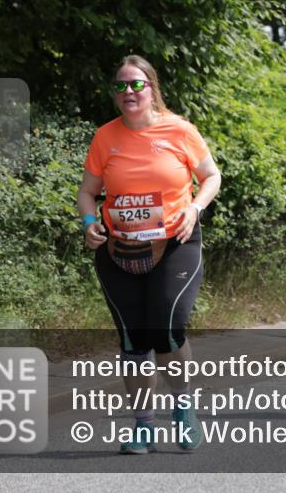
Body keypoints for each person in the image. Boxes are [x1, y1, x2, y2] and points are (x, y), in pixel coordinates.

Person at [77, 55, 221, 453]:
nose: (128, 92)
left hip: (176, 242)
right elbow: (87, 190)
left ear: (152, 88)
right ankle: (143, 425)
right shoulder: (105, 137)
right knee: (133, 340)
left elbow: (211, 176)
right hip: (118, 248)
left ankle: (183, 404)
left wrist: (195, 208)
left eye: (136, 84)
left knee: (167, 328)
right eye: (121, 86)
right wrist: (89, 222)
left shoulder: (180, 130)